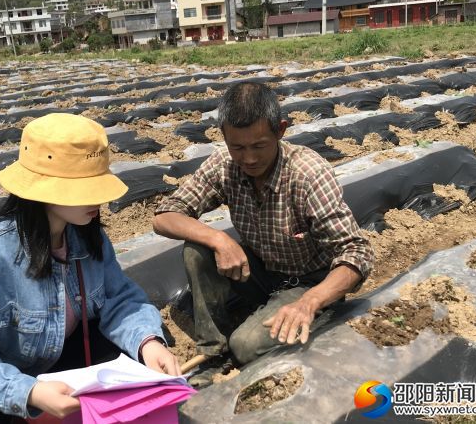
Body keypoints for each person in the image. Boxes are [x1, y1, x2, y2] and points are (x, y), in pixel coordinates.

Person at [0, 113, 181, 424]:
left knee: (146, 353)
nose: (98, 198)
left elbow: (120, 298)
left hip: (51, 356)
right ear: (44, 189)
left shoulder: (88, 237)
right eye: (85, 187)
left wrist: (148, 342)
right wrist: (27, 392)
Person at [153, 82, 373, 382]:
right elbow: (165, 215)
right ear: (224, 137)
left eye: (259, 146)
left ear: (280, 130)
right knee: (197, 249)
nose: (249, 159)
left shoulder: (307, 174)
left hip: (306, 282)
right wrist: (216, 238)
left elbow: (357, 252)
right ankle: (213, 352)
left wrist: (310, 301)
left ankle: (319, 317)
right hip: (258, 271)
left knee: (245, 346)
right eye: (238, 147)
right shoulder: (225, 165)